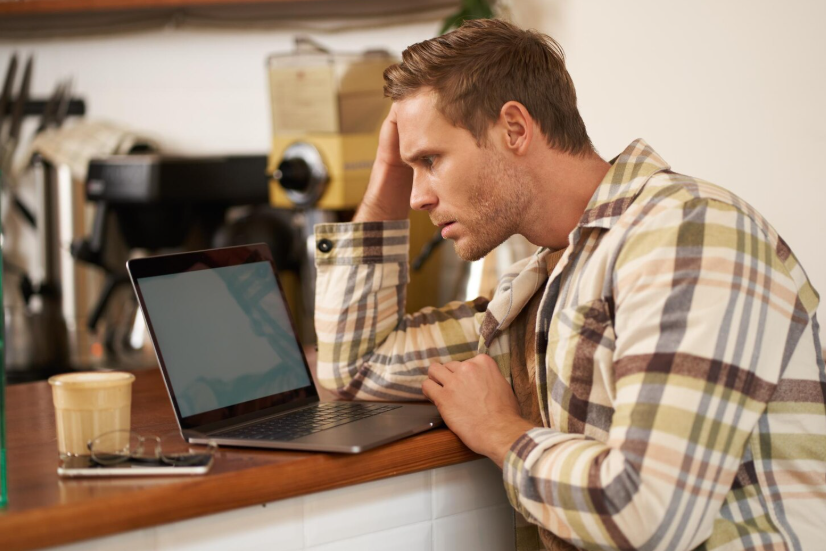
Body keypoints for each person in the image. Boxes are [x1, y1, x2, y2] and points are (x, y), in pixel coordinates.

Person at [313, 19, 825, 551]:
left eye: (430, 161)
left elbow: (648, 514)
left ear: (514, 128)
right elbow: (358, 367)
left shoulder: (690, 236)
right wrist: (384, 180)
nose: (418, 195)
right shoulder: (542, 284)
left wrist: (499, 432)